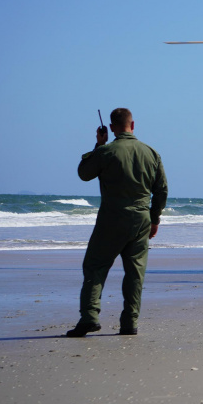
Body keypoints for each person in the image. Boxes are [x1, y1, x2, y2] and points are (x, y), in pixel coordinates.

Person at [67, 108, 167, 337]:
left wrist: (99, 145)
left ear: (111, 128)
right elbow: (161, 190)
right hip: (141, 219)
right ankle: (130, 322)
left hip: (111, 218)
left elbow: (84, 173)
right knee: (135, 272)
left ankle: (90, 316)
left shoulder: (107, 151)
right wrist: (155, 219)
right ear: (133, 125)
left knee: (96, 266)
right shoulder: (151, 153)